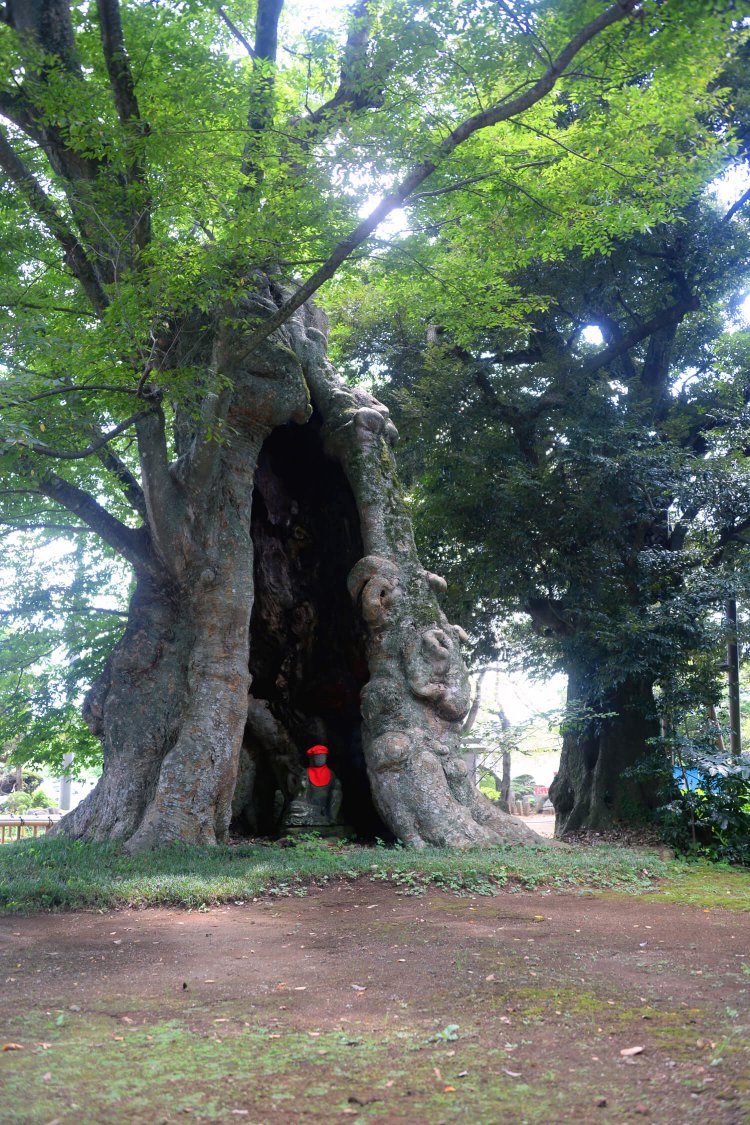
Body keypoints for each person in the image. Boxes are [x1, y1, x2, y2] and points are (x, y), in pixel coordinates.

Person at [283, 744, 343, 829]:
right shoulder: (306, 773)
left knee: (337, 794)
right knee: (294, 806)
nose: (320, 759)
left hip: (326, 808)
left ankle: (331, 818)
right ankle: (320, 816)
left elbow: (335, 794)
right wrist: (302, 787)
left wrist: (337, 786)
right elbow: (299, 795)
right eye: (317, 757)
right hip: (310, 807)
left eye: (323, 757)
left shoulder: (331, 774)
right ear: (312, 758)